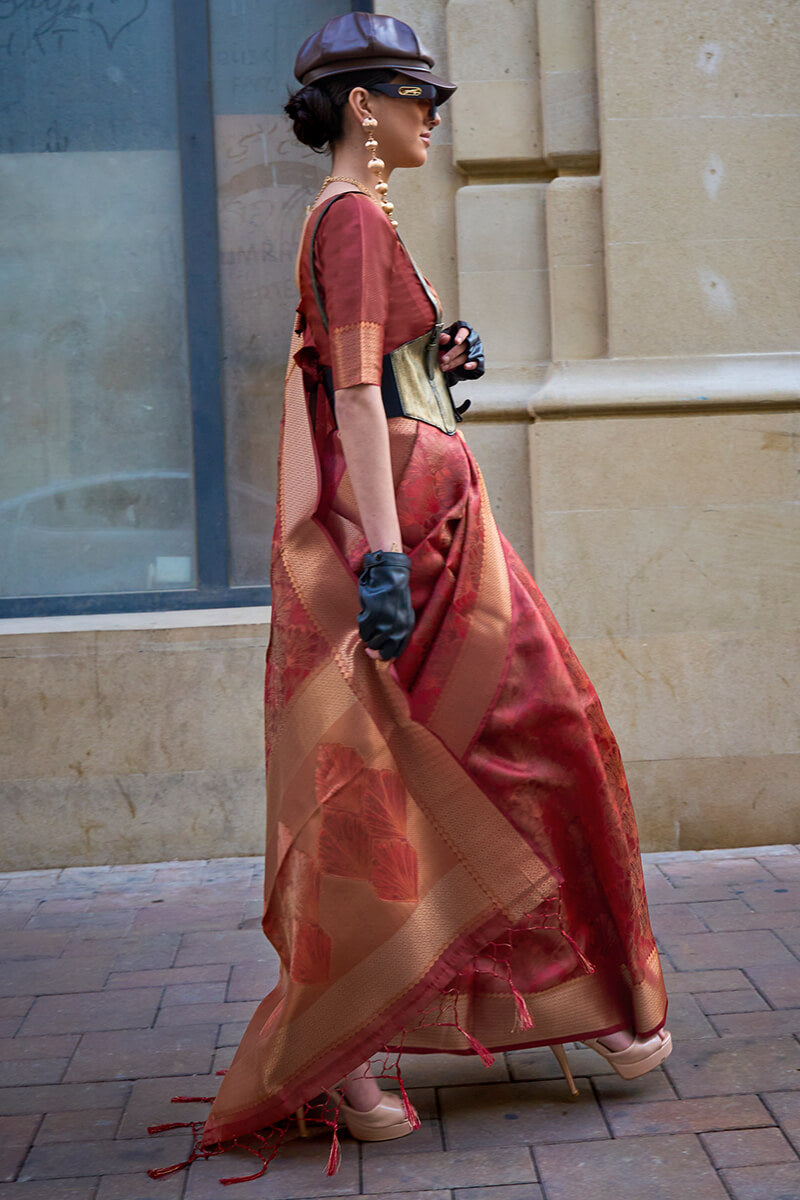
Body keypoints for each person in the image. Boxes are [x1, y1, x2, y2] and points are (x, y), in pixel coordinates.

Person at [149, 11, 671, 1186]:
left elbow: (385, 384)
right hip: (422, 558)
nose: (431, 113)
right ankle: (356, 1052)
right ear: (359, 108)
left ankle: (535, 1013)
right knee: (486, 760)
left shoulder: (364, 217)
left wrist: (439, 365)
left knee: (469, 768)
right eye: (412, 94)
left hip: (438, 533)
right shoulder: (344, 217)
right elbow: (343, 400)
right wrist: (383, 560)